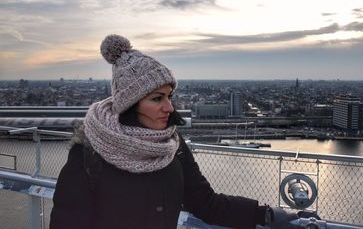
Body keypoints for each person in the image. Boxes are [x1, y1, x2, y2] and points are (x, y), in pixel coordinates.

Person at [49, 34, 306, 229]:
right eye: (157, 98)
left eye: (169, 96)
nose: (169, 107)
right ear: (130, 103)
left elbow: (206, 203)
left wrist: (264, 214)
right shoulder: (89, 155)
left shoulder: (172, 145)